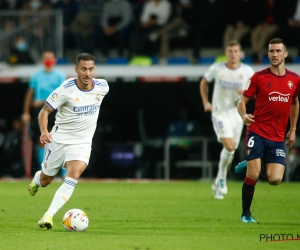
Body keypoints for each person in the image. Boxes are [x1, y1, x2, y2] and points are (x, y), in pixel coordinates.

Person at [28, 53, 109, 229]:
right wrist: (44, 132)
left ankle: (48, 216)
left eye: (91, 69)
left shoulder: (103, 86)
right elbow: (43, 112)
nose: (88, 73)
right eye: (84, 69)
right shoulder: (66, 89)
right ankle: (36, 179)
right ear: (76, 70)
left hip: (82, 143)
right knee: (46, 181)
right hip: (59, 140)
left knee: (73, 175)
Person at [236, 38, 300, 223]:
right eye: (271, 51)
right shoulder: (259, 77)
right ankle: (245, 214)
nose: (274, 54)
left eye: (278, 51)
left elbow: (295, 103)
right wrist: (244, 115)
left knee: (275, 179)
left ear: (285, 54)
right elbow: (242, 101)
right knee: (254, 174)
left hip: (278, 136)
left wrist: (293, 129)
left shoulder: (294, 79)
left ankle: (251, 160)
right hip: (257, 131)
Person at [200, 40, 254, 200]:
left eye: (236, 51)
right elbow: (204, 82)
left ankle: (218, 180)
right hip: (220, 113)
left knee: (231, 151)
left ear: (240, 53)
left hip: (237, 115)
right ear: (226, 53)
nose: (233, 54)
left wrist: (245, 92)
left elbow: (257, 93)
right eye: (230, 51)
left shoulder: (248, 71)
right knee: (229, 146)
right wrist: (206, 102)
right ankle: (222, 179)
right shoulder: (217, 69)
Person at [21, 50, 66, 173]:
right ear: (42, 59)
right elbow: (30, 93)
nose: (48, 60)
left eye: (50, 57)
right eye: (46, 57)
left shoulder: (60, 75)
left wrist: (44, 101)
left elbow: (62, 94)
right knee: (42, 140)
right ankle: (44, 170)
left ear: (55, 60)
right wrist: (26, 112)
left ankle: (62, 172)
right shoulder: (37, 75)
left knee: (57, 140)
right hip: (39, 110)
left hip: (54, 110)